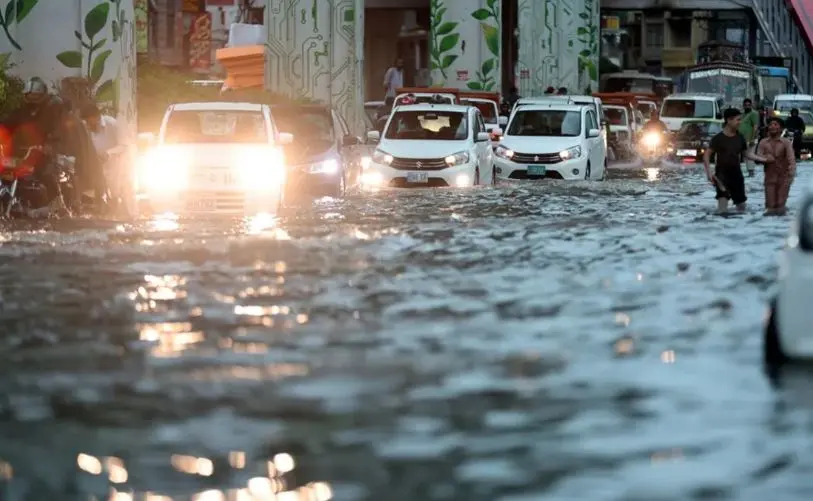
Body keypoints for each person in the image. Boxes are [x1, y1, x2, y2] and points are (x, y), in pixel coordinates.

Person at [0, 77, 68, 211]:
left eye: (35, 94)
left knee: (46, 172)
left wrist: (48, 145)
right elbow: (7, 124)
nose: (32, 97)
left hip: (44, 151)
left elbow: (57, 129)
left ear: (42, 95)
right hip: (22, 152)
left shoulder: (51, 109)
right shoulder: (22, 111)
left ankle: (57, 202)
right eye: (30, 94)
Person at [703, 108, 768, 214]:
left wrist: (764, 160)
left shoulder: (740, 137)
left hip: (737, 175)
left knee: (742, 208)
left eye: (740, 119)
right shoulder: (718, 138)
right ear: (729, 120)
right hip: (722, 176)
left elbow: (746, 154)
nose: (740, 122)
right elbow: (706, 155)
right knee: (722, 210)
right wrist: (709, 173)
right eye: (738, 120)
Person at [81, 103, 125, 209]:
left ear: (96, 117)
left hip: (116, 166)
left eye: (88, 120)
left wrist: (108, 153)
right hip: (98, 167)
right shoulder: (87, 128)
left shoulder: (112, 124)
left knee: (116, 193)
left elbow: (124, 145)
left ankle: (118, 214)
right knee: (99, 196)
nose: (87, 123)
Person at [757, 117, 796, 216]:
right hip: (769, 177)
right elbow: (758, 157)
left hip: (784, 178)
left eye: (775, 124)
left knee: (780, 206)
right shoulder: (763, 142)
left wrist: (792, 173)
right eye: (770, 125)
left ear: (781, 128)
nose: (772, 127)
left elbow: (791, 159)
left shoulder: (786, 142)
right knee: (770, 206)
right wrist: (766, 158)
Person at [738, 98, 760, 177]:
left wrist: (752, 139)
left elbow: (755, 126)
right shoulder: (742, 114)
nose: (747, 106)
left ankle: (751, 173)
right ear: (743, 106)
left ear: (751, 105)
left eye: (749, 105)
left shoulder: (754, 114)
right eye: (746, 105)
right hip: (742, 139)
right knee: (742, 156)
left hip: (750, 139)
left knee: (750, 155)